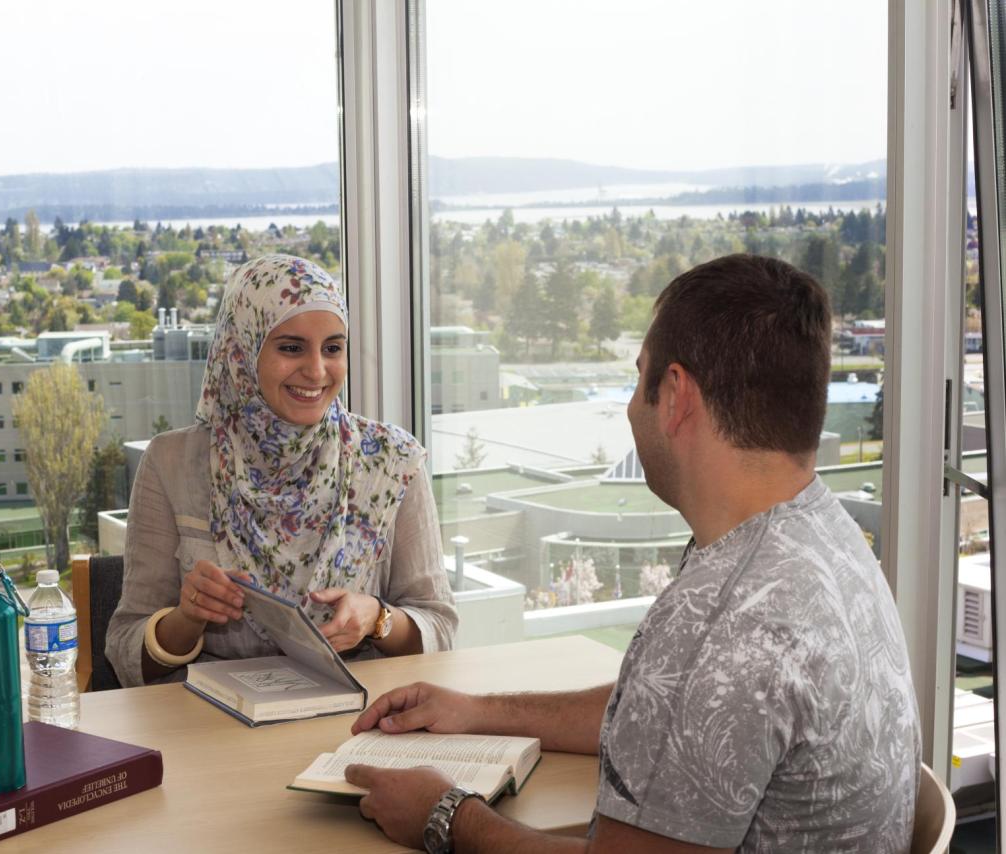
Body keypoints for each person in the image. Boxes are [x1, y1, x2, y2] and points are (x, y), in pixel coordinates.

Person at [343, 254, 921, 853]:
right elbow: (669, 719)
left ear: (674, 396)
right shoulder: (825, 533)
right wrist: (476, 710)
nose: (628, 408)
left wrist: (446, 816)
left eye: (636, 380)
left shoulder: (723, 622)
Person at [107, 254, 457, 687]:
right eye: (291, 347)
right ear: (242, 350)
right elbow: (125, 652)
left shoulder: (390, 463)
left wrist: (378, 618)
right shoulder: (172, 464)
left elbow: (440, 629)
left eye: (333, 348)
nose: (316, 370)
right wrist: (187, 618)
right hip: (214, 727)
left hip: (359, 718)